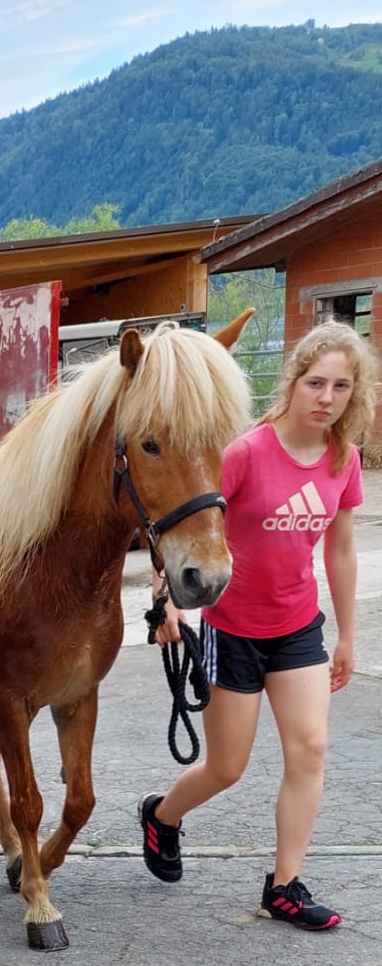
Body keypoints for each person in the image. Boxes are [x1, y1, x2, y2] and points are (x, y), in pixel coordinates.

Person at [139, 319, 377, 930]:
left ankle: (284, 886)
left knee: (310, 749)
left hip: (298, 627)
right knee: (227, 767)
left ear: (355, 394)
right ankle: (162, 816)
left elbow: (340, 551)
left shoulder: (343, 461)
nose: (326, 398)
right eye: (316, 383)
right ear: (293, 382)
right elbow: (184, 519)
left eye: (341, 387)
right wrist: (168, 601)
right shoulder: (245, 452)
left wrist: (347, 636)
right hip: (233, 629)